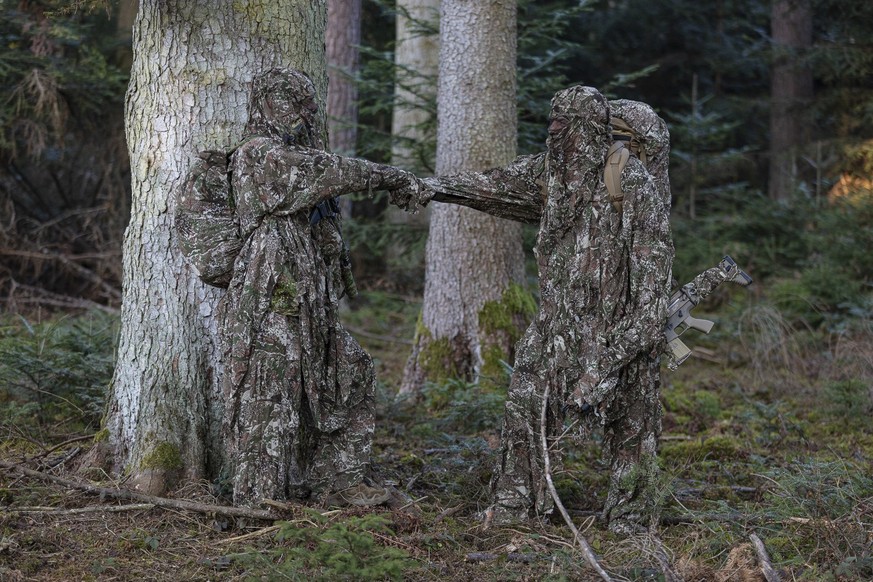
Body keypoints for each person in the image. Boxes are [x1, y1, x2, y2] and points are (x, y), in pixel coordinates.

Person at [403, 86, 674, 531]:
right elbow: (493, 185)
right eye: (552, 122)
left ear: (590, 130)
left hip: (619, 329)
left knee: (634, 418)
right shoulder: (549, 174)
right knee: (527, 403)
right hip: (555, 328)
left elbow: (652, 292)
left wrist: (613, 355)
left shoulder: (630, 182)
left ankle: (631, 512)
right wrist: (429, 186)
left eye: (564, 125)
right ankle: (516, 502)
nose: (552, 133)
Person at [177, 68, 427, 507]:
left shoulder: (293, 155)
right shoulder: (259, 155)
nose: (303, 113)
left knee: (350, 368)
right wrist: (391, 176)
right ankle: (256, 505)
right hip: (269, 293)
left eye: (307, 104)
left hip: (305, 297)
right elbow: (326, 170)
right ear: (269, 102)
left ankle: (338, 482)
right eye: (292, 102)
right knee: (270, 396)